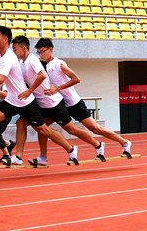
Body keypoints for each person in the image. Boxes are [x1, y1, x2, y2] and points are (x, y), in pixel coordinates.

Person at [0, 26, 72, 166]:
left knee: (43, 129)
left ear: (5, 40)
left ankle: (70, 148)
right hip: (12, 100)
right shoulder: (0, 57)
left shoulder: (9, 57)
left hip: (25, 101)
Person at [34, 38, 133, 160]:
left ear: (50, 49)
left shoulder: (59, 64)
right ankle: (43, 157)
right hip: (61, 104)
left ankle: (124, 142)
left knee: (95, 128)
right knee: (42, 127)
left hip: (73, 103)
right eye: (38, 52)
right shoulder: (46, 66)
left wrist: (57, 88)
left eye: (42, 51)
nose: (40, 55)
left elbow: (76, 79)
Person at [8, 35, 91, 166]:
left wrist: (30, 91)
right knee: (23, 124)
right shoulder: (22, 63)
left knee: (71, 129)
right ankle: (29, 156)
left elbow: (42, 75)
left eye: (15, 49)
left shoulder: (32, 60)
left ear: (23, 48)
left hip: (54, 103)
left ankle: (95, 145)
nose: (14, 52)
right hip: (41, 103)